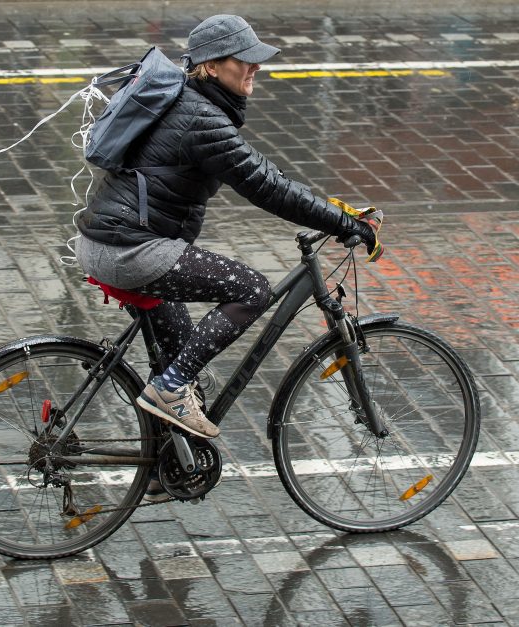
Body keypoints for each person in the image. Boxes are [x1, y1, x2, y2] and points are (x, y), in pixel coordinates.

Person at [75, 15, 380, 441]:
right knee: (251, 290)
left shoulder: (186, 100)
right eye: (245, 60)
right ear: (212, 66)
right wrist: (342, 222)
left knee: (183, 356)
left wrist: (335, 211)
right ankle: (169, 390)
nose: (255, 67)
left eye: (257, 59)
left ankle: (166, 465)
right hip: (129, 250)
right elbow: (266, 185)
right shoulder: (201, 119)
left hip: (108, 240)